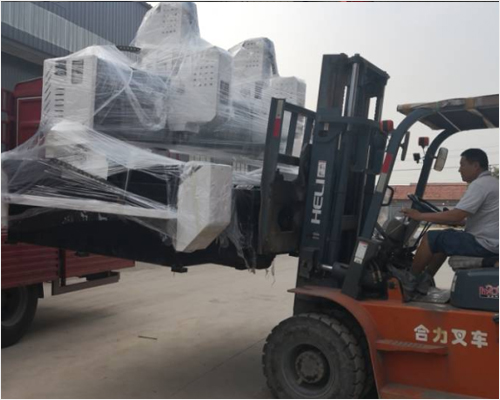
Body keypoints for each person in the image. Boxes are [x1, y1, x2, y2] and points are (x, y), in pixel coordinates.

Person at [400, 148, 499, 297]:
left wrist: (419, 216)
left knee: (430, 238)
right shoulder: (493, 183)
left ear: (475, 165)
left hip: (484, 244)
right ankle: (425, 280)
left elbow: (456, 215)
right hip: (491, 241)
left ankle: (409, 281)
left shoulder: (480, 185)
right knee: (444, 240)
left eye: (462, 165)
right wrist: (457, 221)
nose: (459, 170)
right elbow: (469, 218)